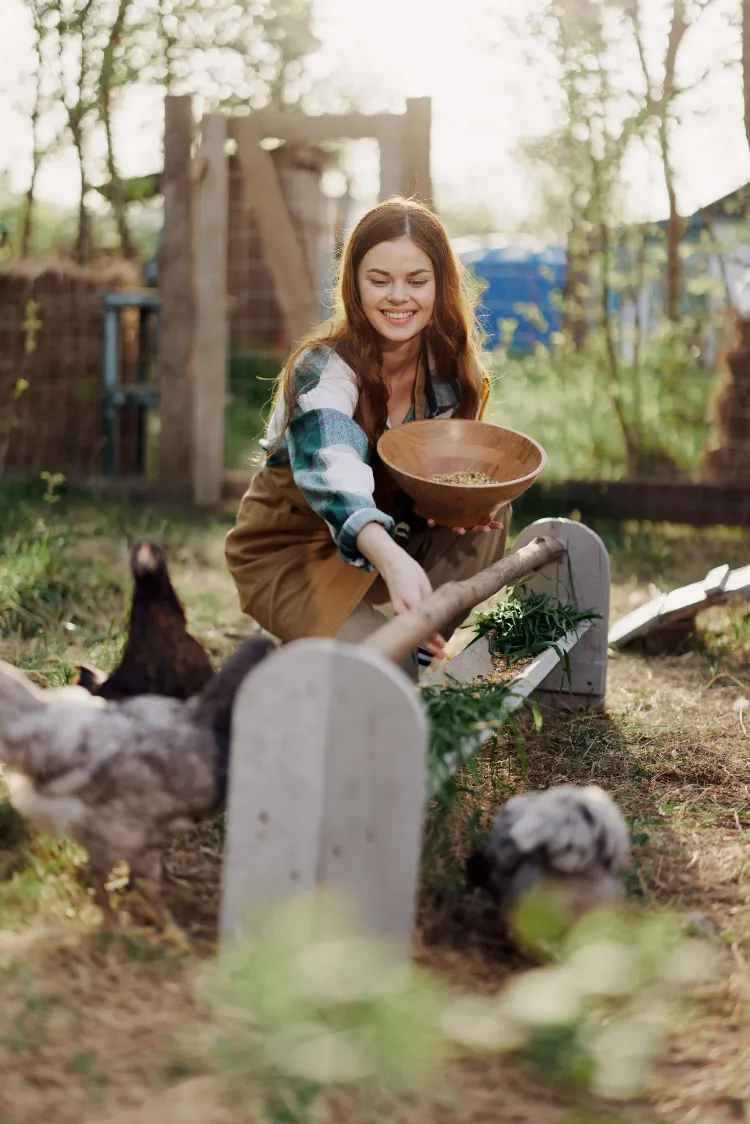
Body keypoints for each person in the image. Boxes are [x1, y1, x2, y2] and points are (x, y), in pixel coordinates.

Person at [225, 197, 509, 681]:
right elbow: (336, 467)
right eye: (380, 281)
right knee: (383, 669)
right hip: (295, 550)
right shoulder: (324, 372)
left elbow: (444, 470)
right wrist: (394, 561)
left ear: (440, 286)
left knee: (491, 508)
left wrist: (449, 504)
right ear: (354, 285)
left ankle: (421, 639)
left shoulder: (448, 374)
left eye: (416, 281)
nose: (399, 296)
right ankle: (359, 652)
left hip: (390, 540)